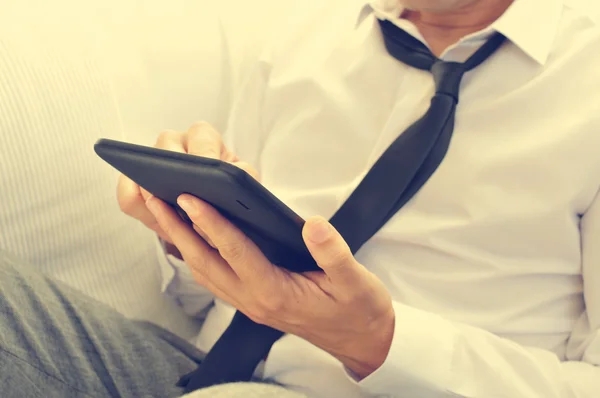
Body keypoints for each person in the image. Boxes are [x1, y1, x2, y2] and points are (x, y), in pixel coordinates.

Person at [1, 0, 599, 397]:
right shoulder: (309, 35)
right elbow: (195, 295)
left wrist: (376, 340)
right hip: (184, 366)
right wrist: (193, 234)